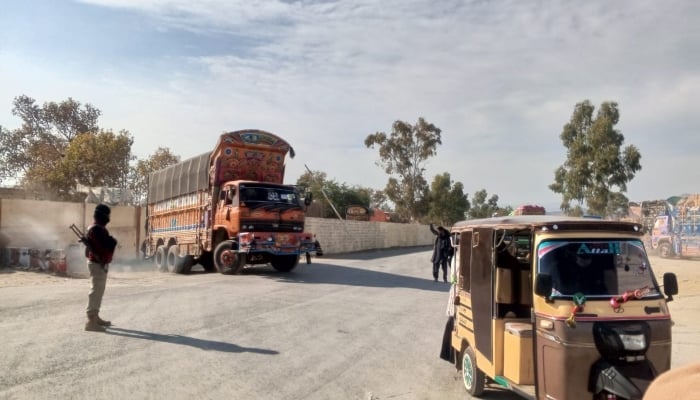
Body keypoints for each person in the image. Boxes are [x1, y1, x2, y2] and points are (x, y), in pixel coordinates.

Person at [84, 204, 118, 332]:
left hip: (99, 263)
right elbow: (104, 246)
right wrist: (112, 241)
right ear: (103, 216)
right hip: (97, 264)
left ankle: (95, 317)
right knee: (96, 292)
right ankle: (91, 321)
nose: (108, 218)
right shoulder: (97, 229)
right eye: (107, 215)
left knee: (99, 292)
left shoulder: (97, 228)